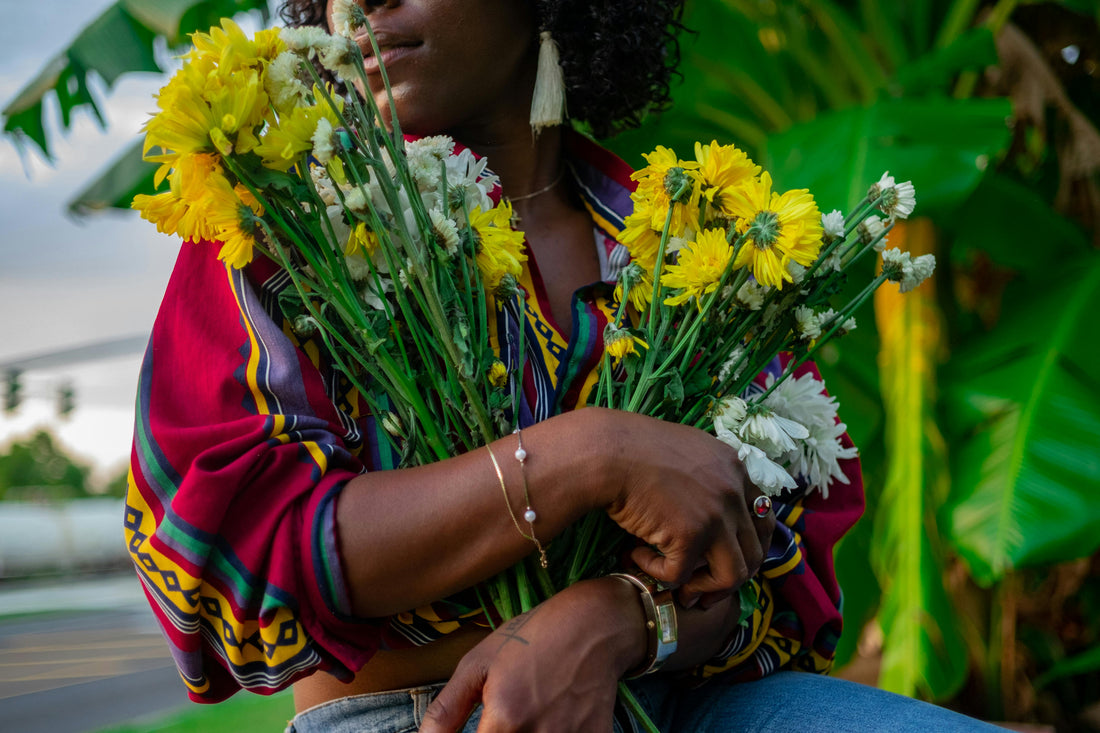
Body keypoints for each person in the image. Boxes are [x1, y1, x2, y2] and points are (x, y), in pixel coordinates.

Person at [124, 1, 1003, 730]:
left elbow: (765, 554)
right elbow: (240, 547)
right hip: (415, 716)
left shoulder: (677, 240)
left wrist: (620, 618)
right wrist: (593, 456)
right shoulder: (279, 226)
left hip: (692, 699)